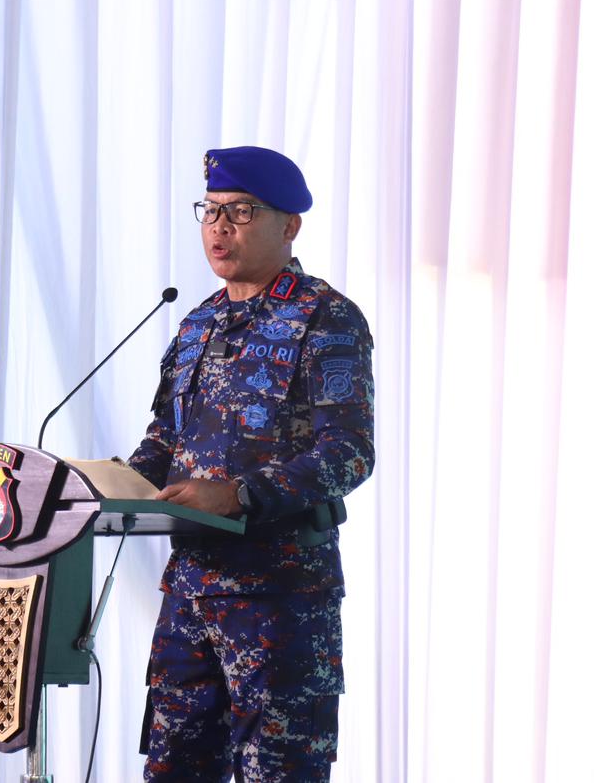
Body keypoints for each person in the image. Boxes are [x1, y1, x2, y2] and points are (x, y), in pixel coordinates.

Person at [128, 146, 375, 782]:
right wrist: (106, 485)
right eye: (210, 211)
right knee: (173, 770)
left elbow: (349, 451)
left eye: (240, 211)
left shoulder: (325, 317)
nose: (219, 227)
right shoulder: (198, 323)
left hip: (281, 598)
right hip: (189, 591)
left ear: (289, 225)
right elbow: (165, 440)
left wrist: (239, 494)